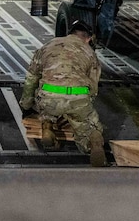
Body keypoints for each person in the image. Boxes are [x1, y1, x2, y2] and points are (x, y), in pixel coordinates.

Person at [19, 21, 106, 166]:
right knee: (89, 125)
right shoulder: (90, 53)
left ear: (69, 33)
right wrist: (82, 107)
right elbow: (93, 87)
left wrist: (26, 105)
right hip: (78, 96)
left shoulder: (48, 45)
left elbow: (31, 79)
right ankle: (93, 142)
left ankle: (47, 127)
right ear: (89, 38)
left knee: (45, 106)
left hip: (49, 96)